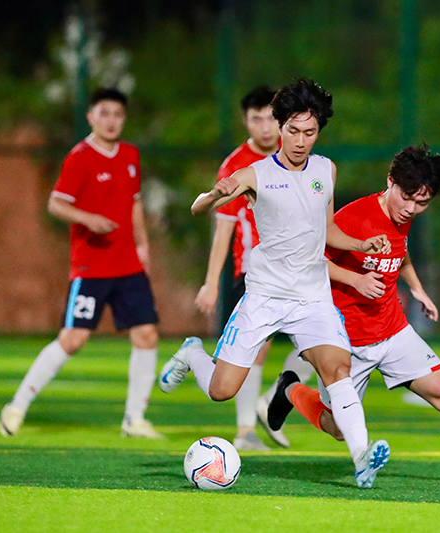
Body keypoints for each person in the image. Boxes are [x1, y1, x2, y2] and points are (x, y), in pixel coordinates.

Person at [160, 78, 392, 488]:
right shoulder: (255, 173)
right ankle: (193, 354)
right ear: (280, 126)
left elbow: (327, 230)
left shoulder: (326, 169)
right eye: (293, 130)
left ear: (319, 130)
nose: (301, 141)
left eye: (310, 132)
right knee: (221, 390)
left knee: (338, 368)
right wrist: (215, 194)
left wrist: (360, 244)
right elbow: (198, 208)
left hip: (312, 298)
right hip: (264, 297)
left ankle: (362, 459)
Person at [265, 145, 440, 485]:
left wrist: (417, 288)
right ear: (390, 182)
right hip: (346, 340)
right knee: (336, 428)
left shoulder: (403, 218)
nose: (411, 209)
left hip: (393, 330)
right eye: (407, 197)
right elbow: (309, 261)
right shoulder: (354, 218)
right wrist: (355, 279)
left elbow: (400, 253)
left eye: (422, 202)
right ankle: (290, 389)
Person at [0, 88, 163, 439]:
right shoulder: (79, 158)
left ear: (124, 118)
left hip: (128, 264)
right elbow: (56, 203)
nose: (111, 121)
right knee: (73, 339)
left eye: (117, 114)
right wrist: (89, 219)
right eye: (104, 113)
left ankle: (134, 419)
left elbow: (134, 202)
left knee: (147, 334)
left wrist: (142, 245)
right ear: (91, 117)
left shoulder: (130, 154)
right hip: (91, 266)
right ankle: (16, 407)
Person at [194, 86, 315, 451]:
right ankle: (245, 430)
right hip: (254, 273)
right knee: (254, 352)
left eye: (270, 118)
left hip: (300, 271)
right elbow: (223, 227)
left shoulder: (300, 158)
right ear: (245, 121)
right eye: (256, 119)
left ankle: (272, 397)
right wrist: (211, 283)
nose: (265, 127)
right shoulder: (237, 166)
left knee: (328, 344)